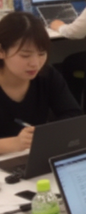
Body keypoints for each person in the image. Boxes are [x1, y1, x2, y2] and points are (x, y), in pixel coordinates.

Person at [0, 12, 81, 154]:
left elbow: (73, 114)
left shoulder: (46, 75)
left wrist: (46, 133)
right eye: (25, 55)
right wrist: (15, 143)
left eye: (42, 54)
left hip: (35, 155)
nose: (35, 63)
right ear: (1, 51)